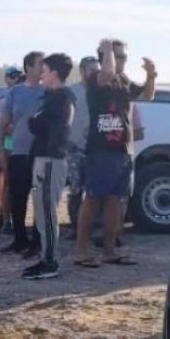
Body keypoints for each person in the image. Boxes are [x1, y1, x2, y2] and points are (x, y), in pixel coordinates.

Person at [74, 38, 157, 268]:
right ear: (106, 56)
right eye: (119, 56)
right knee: (92, 200)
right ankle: (81, 251)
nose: (123, 61)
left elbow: (147, 95)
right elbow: (107, 73)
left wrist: (151, 74)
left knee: (115, 201)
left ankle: (109, 251)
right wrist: (108, 47)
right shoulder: (97, 78)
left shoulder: (123, 80)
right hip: (101, 150)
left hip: (123, 150)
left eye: (124, 57)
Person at [24, 54, 75, 280]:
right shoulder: (52, 97)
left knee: (48, 212)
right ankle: (45, 257)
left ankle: (50, 261)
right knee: (42, 213)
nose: (41, 75)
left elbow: (37, 123)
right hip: (44, 159)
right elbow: (35, 122)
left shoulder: (61, 98)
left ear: (54, 73)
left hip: (51, 160)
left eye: (44, 70)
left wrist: (36, 121)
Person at [0, 52, 46, 257]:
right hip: (18, 152)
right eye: (40, 65)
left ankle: (37, 240)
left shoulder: (48, 92)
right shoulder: (15, 93)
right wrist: (2, 149)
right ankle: (19, 239)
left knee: (39, 198)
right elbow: (4, 123)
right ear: (28, 67)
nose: (43, 69)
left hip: (41, 153)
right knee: (18, 197)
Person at [66, 57, 100, 235]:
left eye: (97, 69)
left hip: (95, 150)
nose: (95, 73)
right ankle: (74, 227)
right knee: (75, 189)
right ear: (82, 71)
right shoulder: (72, 92)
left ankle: (91, 227)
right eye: (91, 69)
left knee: (95, 191)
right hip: (74, 150)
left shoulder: (102, 92)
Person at [0, 67, 23, 227]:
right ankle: (0, 208)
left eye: (17, 77)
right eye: (12, 77)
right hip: (1, 139)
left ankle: (6, 212)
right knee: (0, 174)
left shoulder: (21, 94)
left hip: (14, 140)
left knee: (11, 177)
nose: (15, 80)